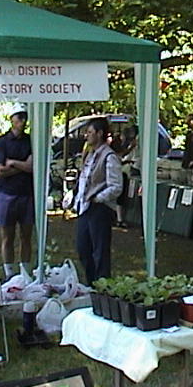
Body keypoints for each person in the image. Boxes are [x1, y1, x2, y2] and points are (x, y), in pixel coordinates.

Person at [74, 117, 123, 284]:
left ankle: (102, 286)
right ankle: (90, 282)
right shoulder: (90, 154)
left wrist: (98, 198)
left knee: (100, 251)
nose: (86, 135)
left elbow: (116, 186)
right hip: (85, 207)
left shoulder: (109, 157)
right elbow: (84, 179)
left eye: (90, 132)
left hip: (100, 209)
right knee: (83, 249)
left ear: (100, 133)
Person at [0, 104, 34, 280]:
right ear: (12, 119)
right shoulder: (2, 141)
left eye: (24, 117)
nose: (23, 121)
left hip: (27, 194)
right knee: (7, 237)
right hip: (6, 194)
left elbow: (32, 167)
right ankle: (9, 273)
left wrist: (13, 163)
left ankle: (25, 273)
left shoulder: (31, 140)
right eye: (19, 117)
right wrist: (22, 166)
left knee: (26, 236)